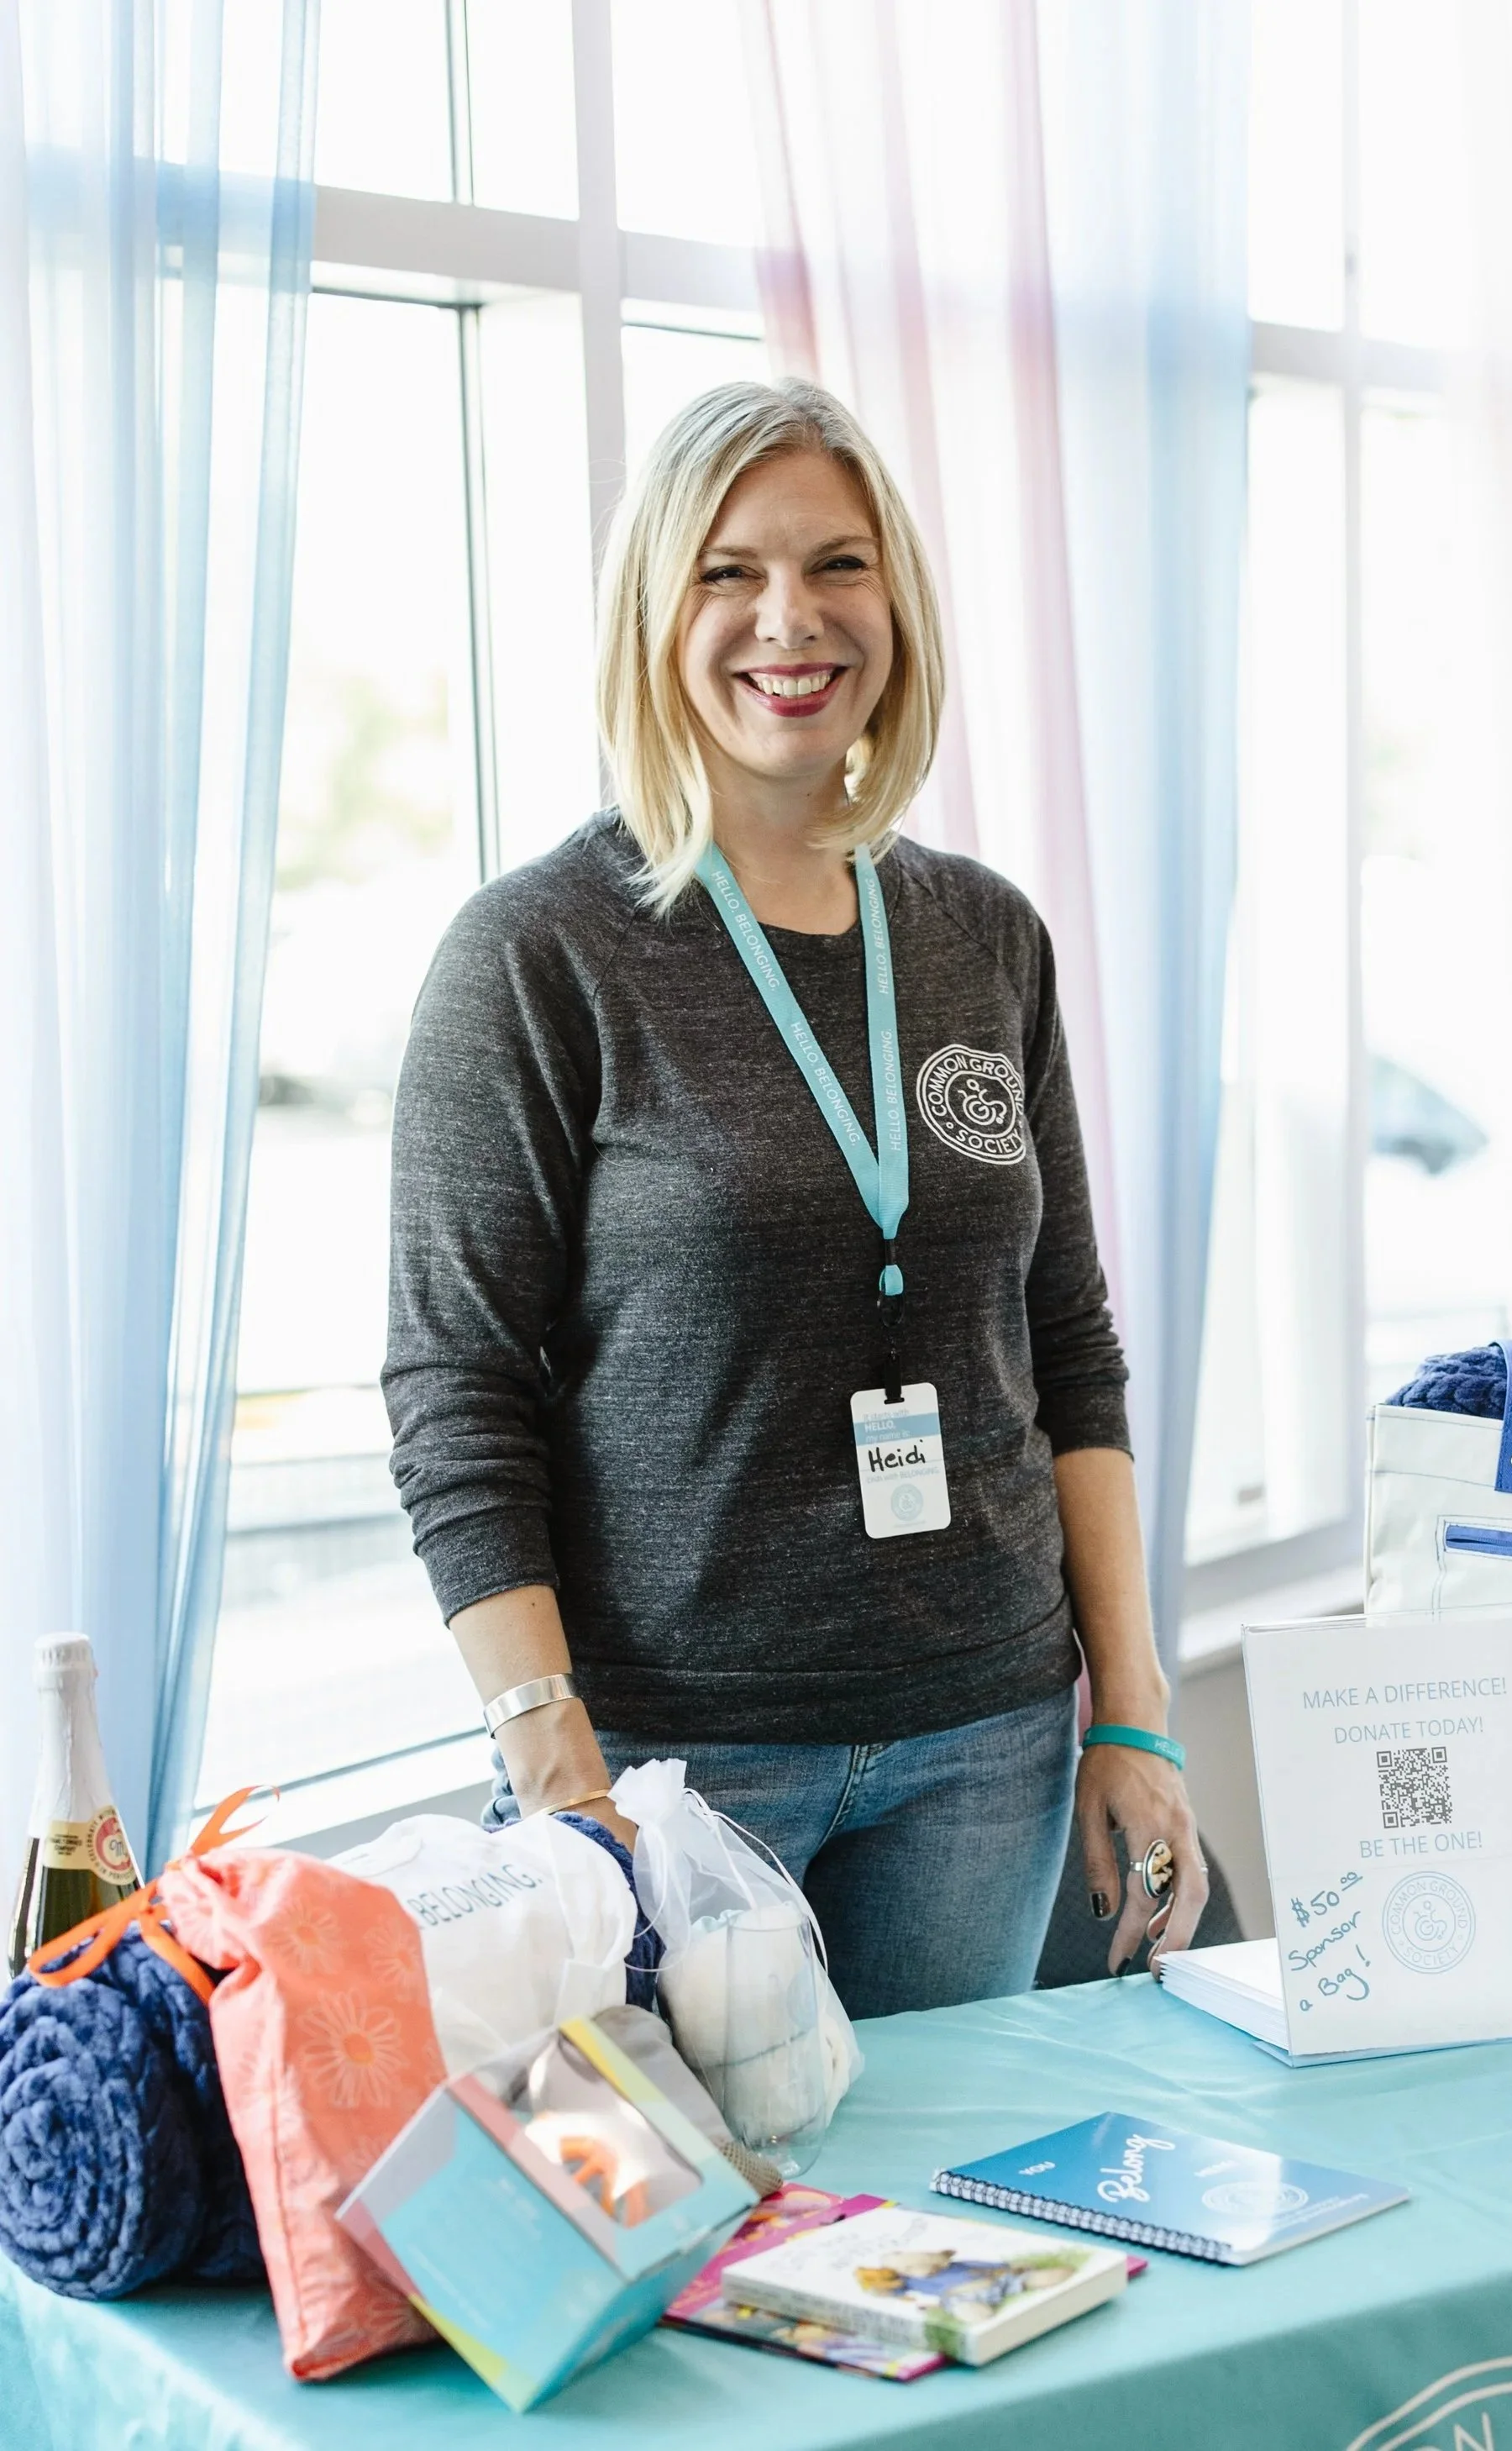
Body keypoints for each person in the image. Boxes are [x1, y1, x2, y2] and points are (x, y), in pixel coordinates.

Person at [382, 377, 1205, 2016]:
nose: (790, 619)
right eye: (727, 572)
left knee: (941, 2236)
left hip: (986, 1743)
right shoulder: (538, 956)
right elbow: (454, 1395)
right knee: (694, 2248)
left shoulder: (982, 936)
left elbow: (1068, 1348)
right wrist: (564, 1783)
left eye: (837, 564)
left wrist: (1131, 1705)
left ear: (892, 598)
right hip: (673, 1771)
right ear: (653, 613)